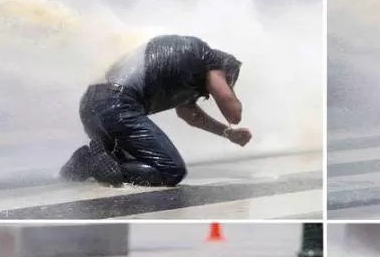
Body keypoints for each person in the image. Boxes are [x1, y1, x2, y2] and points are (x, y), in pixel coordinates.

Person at [59, 35, 253, 188]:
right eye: (228, 81)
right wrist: (229, 91)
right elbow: (232, 112)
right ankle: (95, 164)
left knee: (133, 161)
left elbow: (190, 115)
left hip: (91, 105)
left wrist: (226, 133)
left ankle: (85, 161)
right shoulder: (210, 59)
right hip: (117, 105)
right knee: (170, 170)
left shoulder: (189, 67)